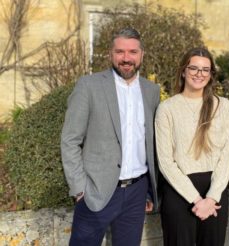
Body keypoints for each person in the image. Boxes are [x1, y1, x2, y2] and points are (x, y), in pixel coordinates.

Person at [61, 27, 160, 246]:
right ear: (110, 54)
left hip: (136, 192)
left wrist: (149, 190)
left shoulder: (151, 91)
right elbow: (70, 140)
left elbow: (150, 144)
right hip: (96, 191)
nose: (126, 58)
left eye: (133, 52)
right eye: (120, 52)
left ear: (141, 54)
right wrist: (79, 189)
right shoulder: (89, 86)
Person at [155, 47, 229, 246]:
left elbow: (227, 156)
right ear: (183, 70)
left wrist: (211, 198)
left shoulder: (222, 106)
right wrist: (196, 199)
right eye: (194, 68)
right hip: (179, 192)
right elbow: (165, 161)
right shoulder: (167, 109)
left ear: (211, 74)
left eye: (205, 70)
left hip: (214, 193)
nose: (199, 74)